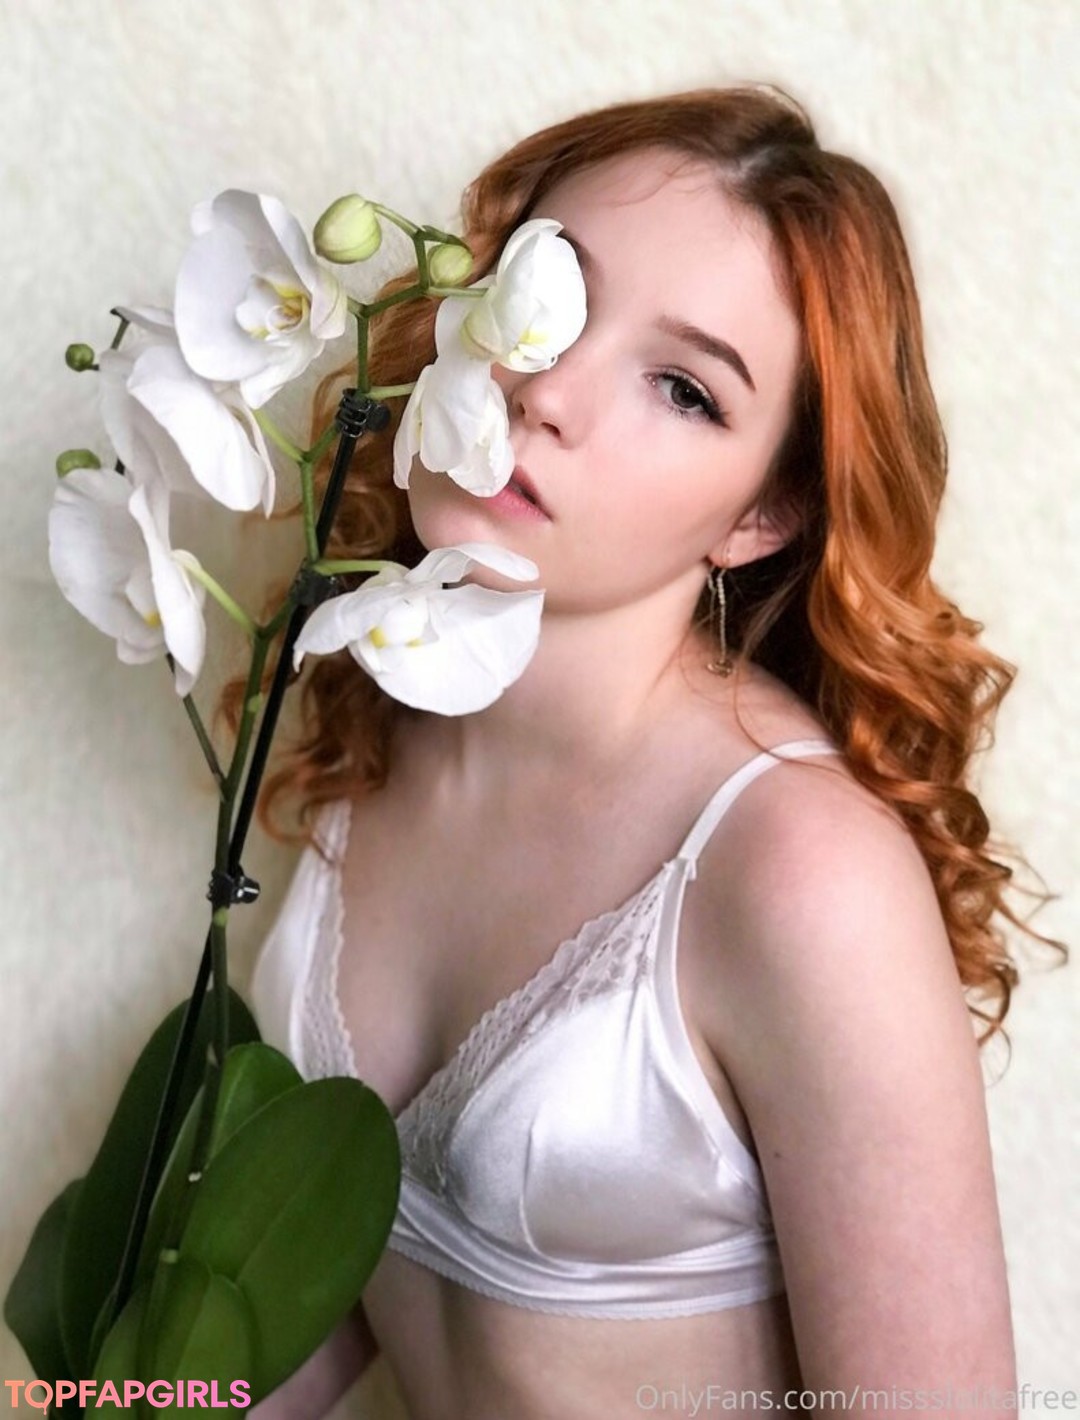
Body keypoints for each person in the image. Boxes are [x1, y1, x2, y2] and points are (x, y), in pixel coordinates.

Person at [247, 86, 1057, 1419]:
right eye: (550, 290)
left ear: (762, 514)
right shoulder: (382, 712)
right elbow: (344, 1282)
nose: (547, 391)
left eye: (683, 389)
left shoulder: (799, 874)